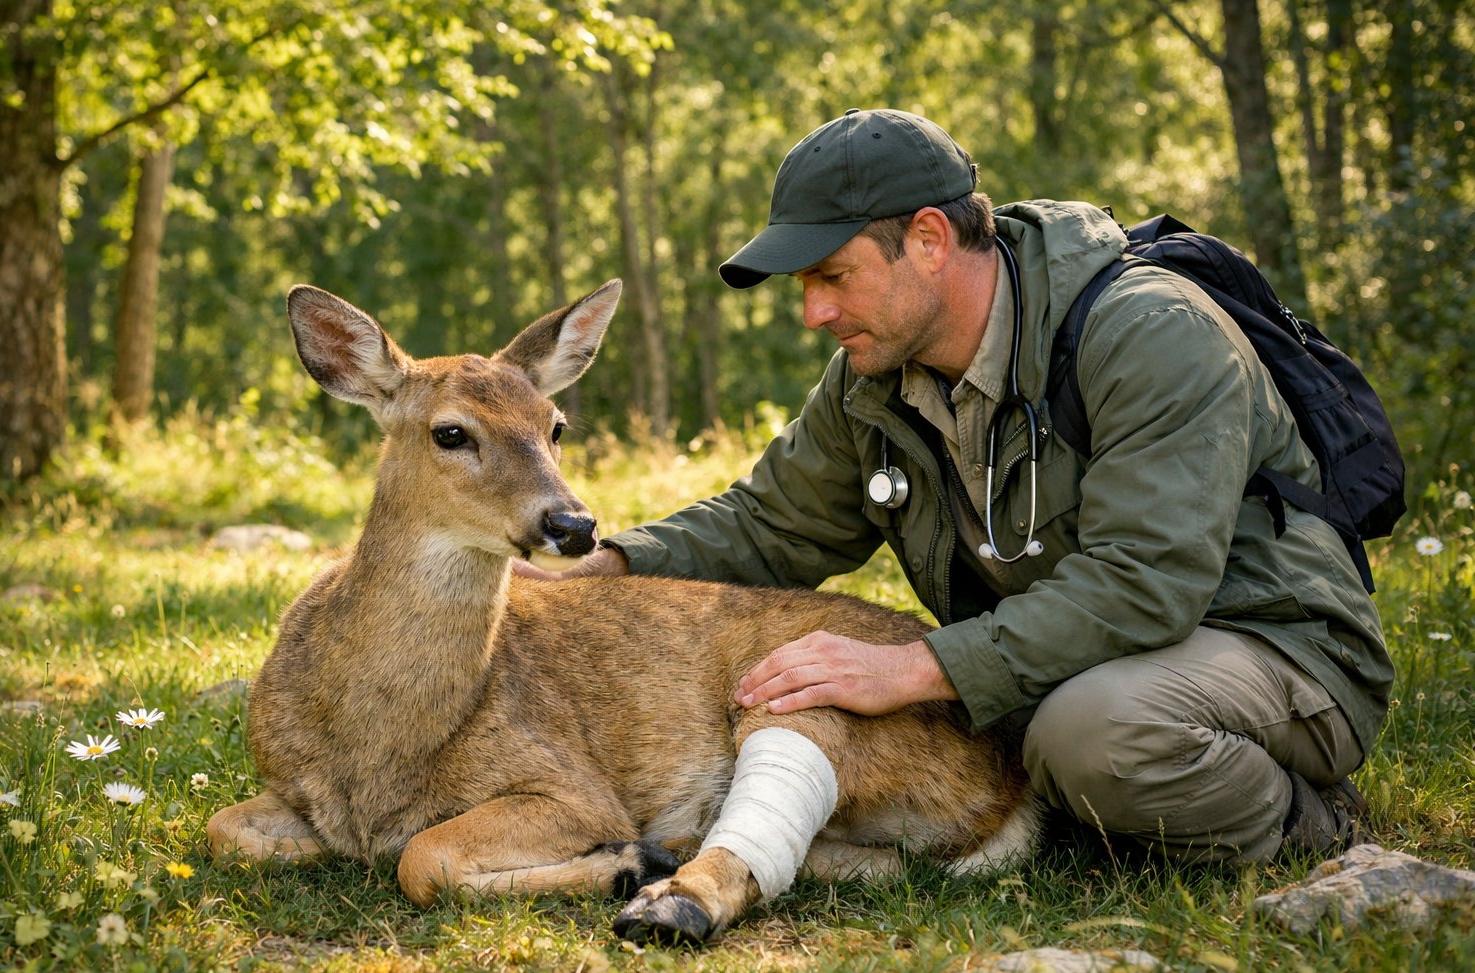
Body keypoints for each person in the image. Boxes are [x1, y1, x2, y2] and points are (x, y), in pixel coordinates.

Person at [527, 108, 1392, 866]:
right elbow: (770, 524)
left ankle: (1309, 829)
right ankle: (1108, 802)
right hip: (1083, 660)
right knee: (1022, 728)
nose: (813, 314)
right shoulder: (874, 374)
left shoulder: (1149, 332)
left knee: (1090, 736)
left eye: (833, 276)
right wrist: (602, 571)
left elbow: (1146, 583)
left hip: (1274, 646)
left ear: (930, 241)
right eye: (803, 287)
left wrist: (911, 666)